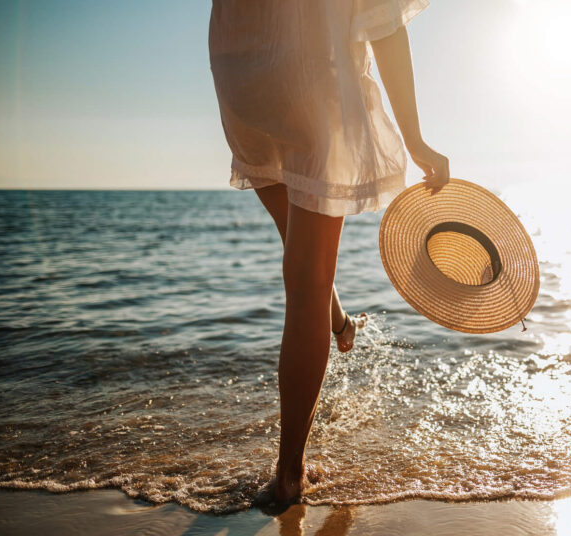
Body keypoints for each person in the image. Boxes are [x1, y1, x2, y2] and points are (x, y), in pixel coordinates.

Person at [209, 0, 448, 503]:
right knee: (307, 284)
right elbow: (384, 22)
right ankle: (291, 474)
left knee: (296, 242)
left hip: (241, 73)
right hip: (310, 75)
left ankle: (338, 319)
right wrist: (415, 138)